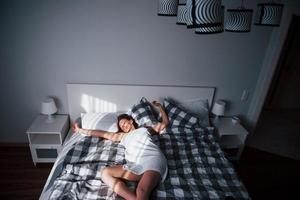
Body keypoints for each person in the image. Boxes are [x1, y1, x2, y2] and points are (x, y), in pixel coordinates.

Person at [71, 101, 169, 200]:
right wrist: (80, 130)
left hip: (152, 158)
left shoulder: (144, 129)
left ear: (130, 120)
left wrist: (160, 108)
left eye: (124, 123)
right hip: (136, 164)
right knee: (105, 173)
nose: (123, 126)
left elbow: (165, 123)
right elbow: (101, 133)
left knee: (141, 190)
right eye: (121, 126)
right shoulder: (121, 136)